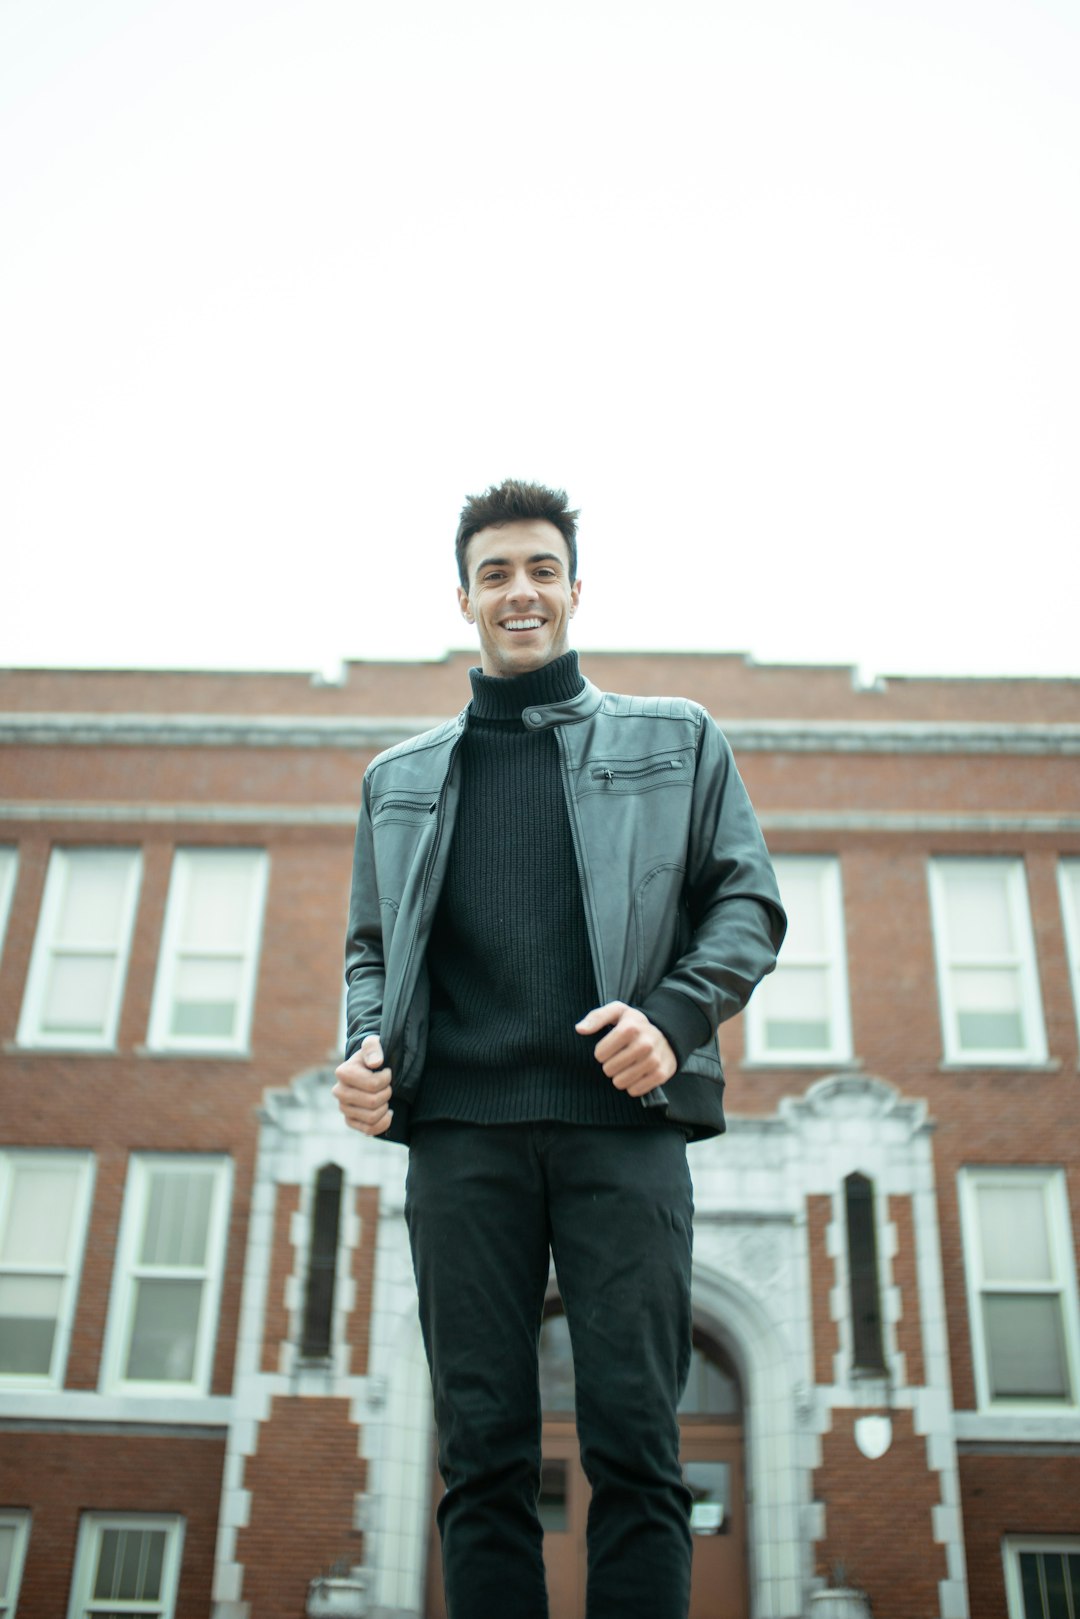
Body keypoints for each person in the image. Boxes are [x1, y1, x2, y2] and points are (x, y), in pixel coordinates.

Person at [334, 478, 785, 1619]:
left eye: (541, 568)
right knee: (478, 1453)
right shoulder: (399, 779)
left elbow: (748, 905)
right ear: (464, 598)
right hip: (459, 1140)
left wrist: (673, 1019)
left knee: (637, 1446)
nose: (520, 590)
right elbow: (373, 948)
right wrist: (363, 1045)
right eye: (496, 572)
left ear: (575, 589)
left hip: (621, 1129)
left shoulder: (676, 739)